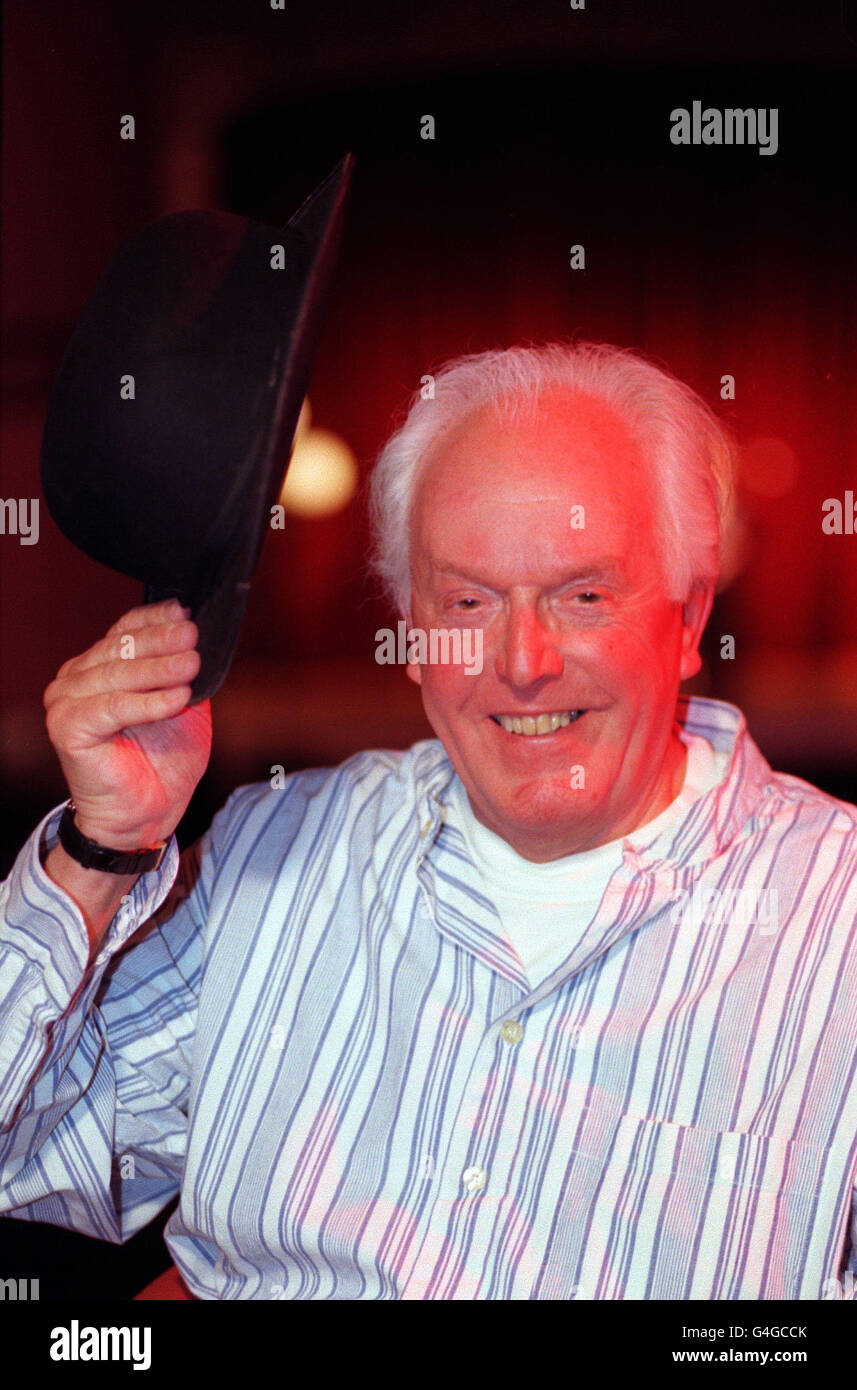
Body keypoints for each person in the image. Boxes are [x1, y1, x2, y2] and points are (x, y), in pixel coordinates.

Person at [1, 341, 856, 1301]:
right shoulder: (270, 857)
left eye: (583, 596)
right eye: (467, 600)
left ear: (689, 620)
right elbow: (24, 1160)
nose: (523, 661)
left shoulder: (838, 916)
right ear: (411, 631)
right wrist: (97, 852)